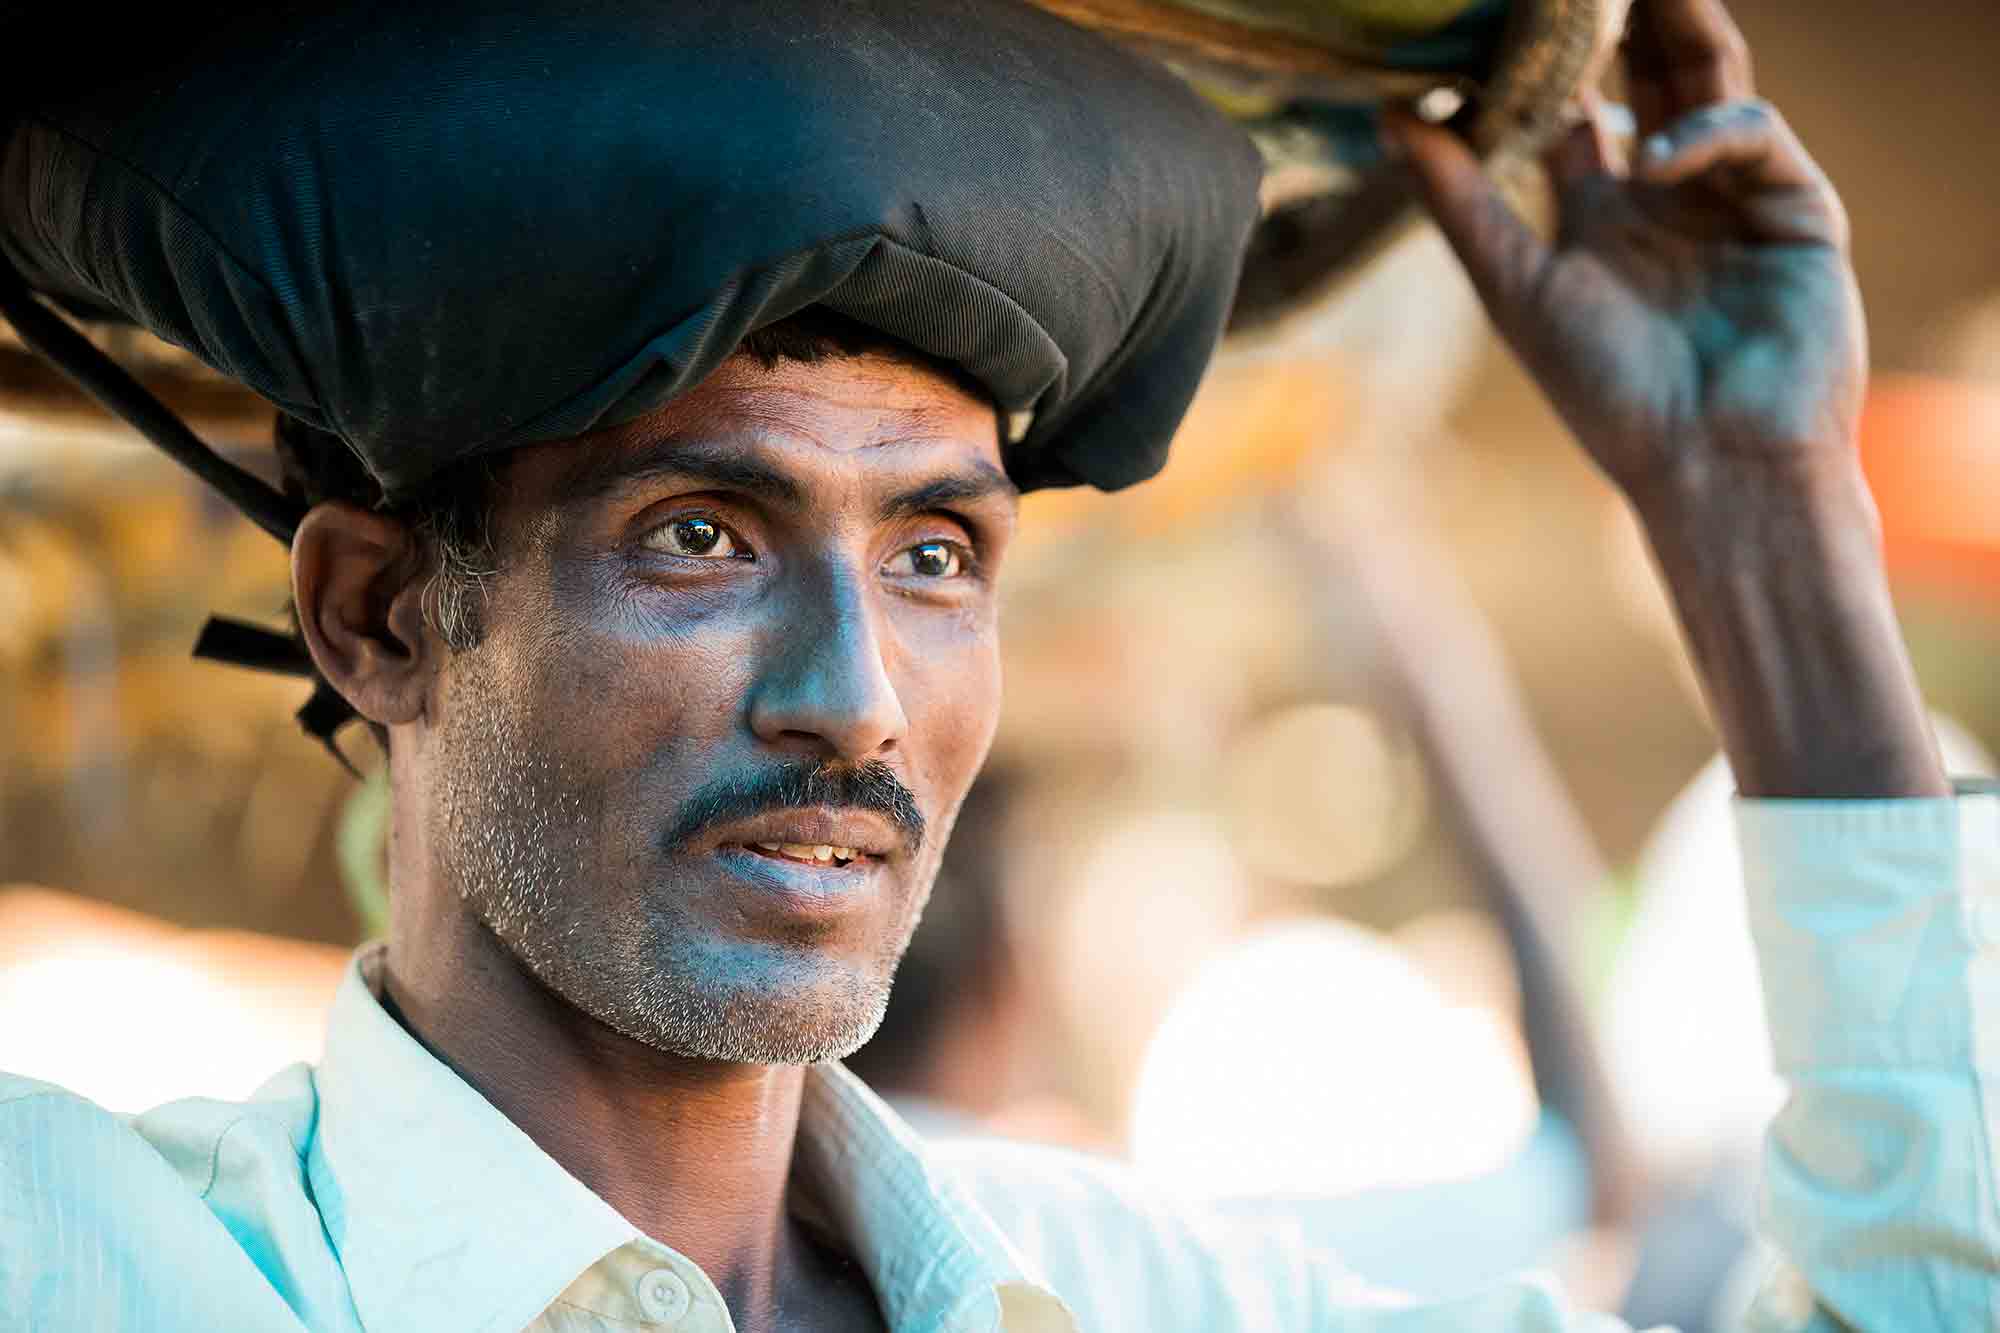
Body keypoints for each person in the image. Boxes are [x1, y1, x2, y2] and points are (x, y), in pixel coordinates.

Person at [1, 2, 1991, 1331]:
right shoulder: (119, 1257)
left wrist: (1760, 524)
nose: (854, 694)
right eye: (699, 535)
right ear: (375, 617)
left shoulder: (1131, 1293)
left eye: (938, 553)